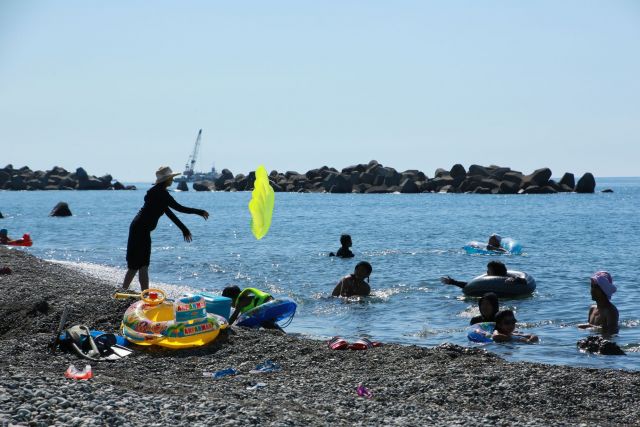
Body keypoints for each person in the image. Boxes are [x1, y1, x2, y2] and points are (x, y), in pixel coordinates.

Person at [121, 166, 209, 291]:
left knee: (135, 264)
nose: (172, 180)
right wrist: (199, 212)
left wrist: (183, 228)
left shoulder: (156, 192)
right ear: (166, 180)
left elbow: (169, 213)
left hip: (137, 228)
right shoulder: (161, 193)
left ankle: (124, 290)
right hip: (141, 230)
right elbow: (179, 208)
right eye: (171, 178)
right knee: (143, 264)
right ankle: (145, 294)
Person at [440, 261, 523, 289]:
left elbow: (524, 280)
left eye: (489, 270)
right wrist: (452, 282)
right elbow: (470, 285)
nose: (486, 272)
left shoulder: (508, 278)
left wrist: (515, 280)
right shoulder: (487, 281)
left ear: (496, 271)